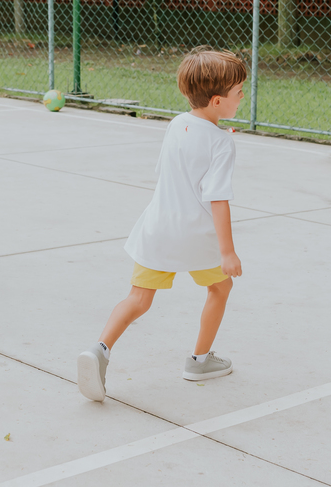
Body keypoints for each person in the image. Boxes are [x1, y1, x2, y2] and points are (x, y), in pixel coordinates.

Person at [77, 47, 247, 402]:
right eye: (238, 93)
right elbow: (218, 199)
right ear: (218, 101)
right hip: (196, 239)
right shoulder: (222, 142)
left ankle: (99, 350)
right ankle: (199, 360)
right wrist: (227, 252)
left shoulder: (176, 124)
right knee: (220, 288)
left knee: (138, 299)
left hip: (157, 231)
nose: (242, 97)